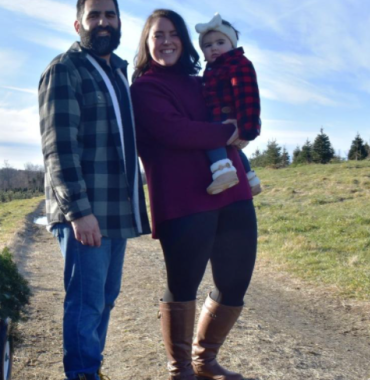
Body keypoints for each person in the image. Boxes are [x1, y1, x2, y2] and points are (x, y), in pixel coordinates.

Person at [130, 9, 257, 380]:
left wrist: (245, 121)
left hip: (232, 192)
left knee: (235, 281)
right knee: (183, 284)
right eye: (158, 35)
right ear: (147, 42)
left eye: (174, 34)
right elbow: (175, 132)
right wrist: (227, 130)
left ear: (184, 41)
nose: (167, 41)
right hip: (182, 198)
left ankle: (204, 359)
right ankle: (180, 369)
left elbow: (236, 103)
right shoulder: (144, 87)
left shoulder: (203, 79)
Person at [38, 0, 151, 379]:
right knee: (86, 303)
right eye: (94, 15)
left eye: (110, 15)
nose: (103, 22)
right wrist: (78, 211)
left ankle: (90, 369)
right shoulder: (64, 70)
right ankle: (83, 374)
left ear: (119, 22)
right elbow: (59, 148)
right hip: (84, 213)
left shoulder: (120, 73)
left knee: (104, 299)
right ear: (78, 24)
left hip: (115, 209)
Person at [196, 13, 262, 195]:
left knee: (209, 137)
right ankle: (250, 178)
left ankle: (223, 173)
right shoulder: (213, 69)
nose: (214, 48)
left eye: (220, 42)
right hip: (224, 117)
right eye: (208, 45)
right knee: (231, 148)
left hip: (230, 118)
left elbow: (248, 95)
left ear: (232, 44)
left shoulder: (237, 64)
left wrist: (247, 128)